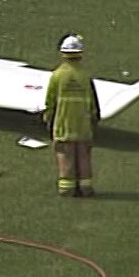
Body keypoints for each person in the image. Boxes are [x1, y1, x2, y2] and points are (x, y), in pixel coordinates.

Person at [43, 35, 100, 197]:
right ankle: (86, 187)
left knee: (65, 154)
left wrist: (48, 120)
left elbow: (50, 102)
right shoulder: (85, 76)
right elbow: (92, 101)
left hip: (63, 123)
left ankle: (66, 188)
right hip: (83, 123)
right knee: (83, 154)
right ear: (80, 54)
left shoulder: (57, 75)